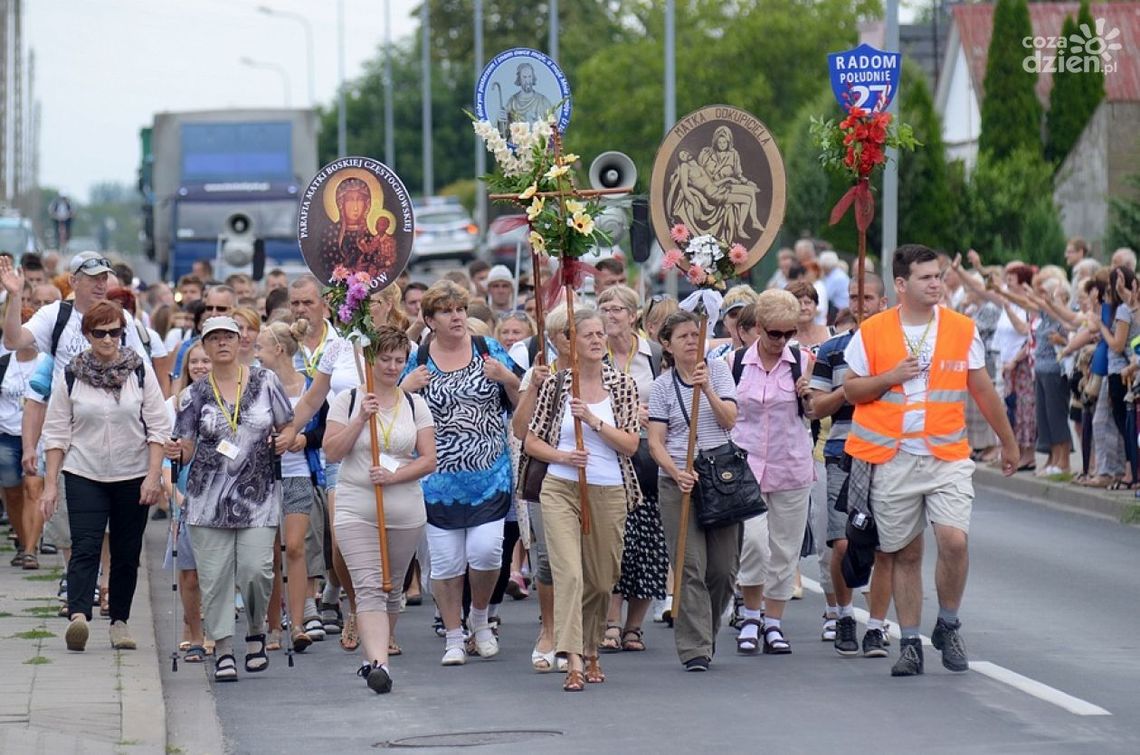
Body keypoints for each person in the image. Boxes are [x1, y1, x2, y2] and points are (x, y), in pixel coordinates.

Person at [842, 244, 1019, 677]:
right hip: (893, 457)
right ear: (901, 285)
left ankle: (948, 624)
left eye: (938, 276)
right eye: (926, 278)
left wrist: (1009, 442)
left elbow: (982, 389)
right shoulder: (873, 330)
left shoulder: (961, 328)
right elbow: (850, 390)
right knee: (905, 553)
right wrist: (889, 377)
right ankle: (909, 644)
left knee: (954, 541)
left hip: (946, 455)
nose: (936, 283)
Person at [399, 280, 522, 666]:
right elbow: (393, 413)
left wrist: (507, 378)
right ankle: (454, 636)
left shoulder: (488, 349)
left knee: (486, 552)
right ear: (430, 320)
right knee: (448, 562)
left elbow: (522, 401)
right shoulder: (420, 358)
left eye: (460, 310)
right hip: (438, 480)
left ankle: (480, 619)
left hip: (489, 474)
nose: (456, 317)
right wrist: (406, 388)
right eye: (447, 311)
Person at [170, 316, 295, 682]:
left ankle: (256, 629)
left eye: (228, 336)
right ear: (205, 346)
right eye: (214, 338)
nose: (222, 343)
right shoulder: (193, 394)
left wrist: (287, 439)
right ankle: (223, 648)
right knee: (214, 578)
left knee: (256, 570)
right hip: (207, 500)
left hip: (257, 495)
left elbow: (287, 424)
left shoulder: (264, 381)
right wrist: (176, 451)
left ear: (241, 342)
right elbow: (186, 447)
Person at [41, 301, 169, 652]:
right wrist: (50, 486)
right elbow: (56, 433)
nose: (108, 339)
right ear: (87, 335)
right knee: (85, 545)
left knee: (127, 552)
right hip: (84, 470)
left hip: (133, 472)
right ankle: (79, 616)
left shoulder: (139, 371)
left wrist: (153, 476)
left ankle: (120, 622)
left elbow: (158, 427)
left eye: (115, 332)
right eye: (100, 333)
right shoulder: (72, 374)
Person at [524, 309, 641, 691]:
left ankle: (591, 648)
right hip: (560, 488)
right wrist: (563, 457)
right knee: (570, 575)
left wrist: (592, 420)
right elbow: (531, 441)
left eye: (599, 334)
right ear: (571, 342)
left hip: (608, 490)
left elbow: (630, 444)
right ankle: (573, 657)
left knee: (602, 580)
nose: (595, 340)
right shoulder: (557, 385)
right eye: (587, 334)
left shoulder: (622, 385)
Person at [324, 326, 436, 694]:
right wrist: (360, 419)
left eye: (399, 360)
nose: (391, 366)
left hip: (404, 508)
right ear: (370, 360)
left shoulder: (415, 404)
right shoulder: (348, 401)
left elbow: (429, 459)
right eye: (385, 359)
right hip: (356, 505)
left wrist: (396, 475)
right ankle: (379, 665)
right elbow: (331, 452)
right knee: (368, 585)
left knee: (391, 587)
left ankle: (374, 651)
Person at [807, 272, 894, 658]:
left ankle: (876, 626)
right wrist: (852, 388)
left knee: (886, 546)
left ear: (883, 302)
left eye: (868, 298)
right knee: (842, 541)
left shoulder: (898, 348)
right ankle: (844, 615)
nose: (861, 305)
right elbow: (816, 407)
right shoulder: (833, 349)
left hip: (889, 452)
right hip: (844, 450)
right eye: (855, 297)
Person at [649, 310, 738, 671]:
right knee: (689, 566)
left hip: (721, 477)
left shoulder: (718, 371)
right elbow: (655, 442)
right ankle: (694, 647)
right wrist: (676, 472)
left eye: (695, 335)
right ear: (667, 345)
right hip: (679, 480)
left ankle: (706, 630)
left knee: (723, 570)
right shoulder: (661, 386)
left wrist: (708, 390)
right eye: (683, 336)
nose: (691, 341)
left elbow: (729, 420)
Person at [732, 289, 815, 655]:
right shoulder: (735, 362)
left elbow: (815, 412)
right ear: (758, 327)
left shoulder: (803, 360)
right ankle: (751, 615)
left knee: (784, 548)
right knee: (752, 542)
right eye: (775, 333)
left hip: (791, 465)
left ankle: (774, 622)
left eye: (789, 333)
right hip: (746, 466)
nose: (782, 340)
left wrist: (809, 395)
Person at [596, 285, 668, 654]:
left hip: (649, 456)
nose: (610, 316)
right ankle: (611, 621)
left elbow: (673, 396)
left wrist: (653, 416)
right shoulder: (594, 353)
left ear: (633, 315)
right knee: (615, 541)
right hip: (609, 454)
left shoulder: (654, 354)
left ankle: (634, 627)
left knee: (650, 543)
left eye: (617, 309)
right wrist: (624, 413)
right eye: (604, 308)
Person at [256, 320, 326, 653]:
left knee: (295, 546)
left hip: (298, 473)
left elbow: (324, 428)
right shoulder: (256, 385)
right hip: (264, 476)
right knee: (271, 552)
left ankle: (297, 624)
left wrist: (303, 438)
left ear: (278, 349)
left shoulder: (308, 385)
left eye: (260, 348)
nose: (256, 354)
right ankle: (273, 625)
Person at [510, 305, 572, 672]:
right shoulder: (540, 375)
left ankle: (576, 631)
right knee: (548, 558)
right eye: (568, 334)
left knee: (585, 560)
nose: (577, 340)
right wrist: (533, 386)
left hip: (590, 475)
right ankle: (549, 630)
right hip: (547, 476)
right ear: (553, 340)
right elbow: (520, 429)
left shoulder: (606, 374)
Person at [0, 309, 50, 570]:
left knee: (33, 488)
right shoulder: (3, 364)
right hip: (7, 435)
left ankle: (31, 550)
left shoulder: (46, 362)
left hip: (39, 435)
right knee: (12, 493)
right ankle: (23, 541)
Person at [318, 178, 397, 283]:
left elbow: (380, 264)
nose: (355, 207)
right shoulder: (330, 234)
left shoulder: (372, 237)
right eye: (349, 200)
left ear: (367, 204)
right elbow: (325, 266)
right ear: (341, 203)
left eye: (360, 200)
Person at [500, 62, 554, 133]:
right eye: (524, 77)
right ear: (519, 79)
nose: (527, 81)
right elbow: (503, 131)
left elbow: (554, 126)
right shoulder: (512, 102)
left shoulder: (543, 101)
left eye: (529, 77)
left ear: (533, 77)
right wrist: (501, 120)